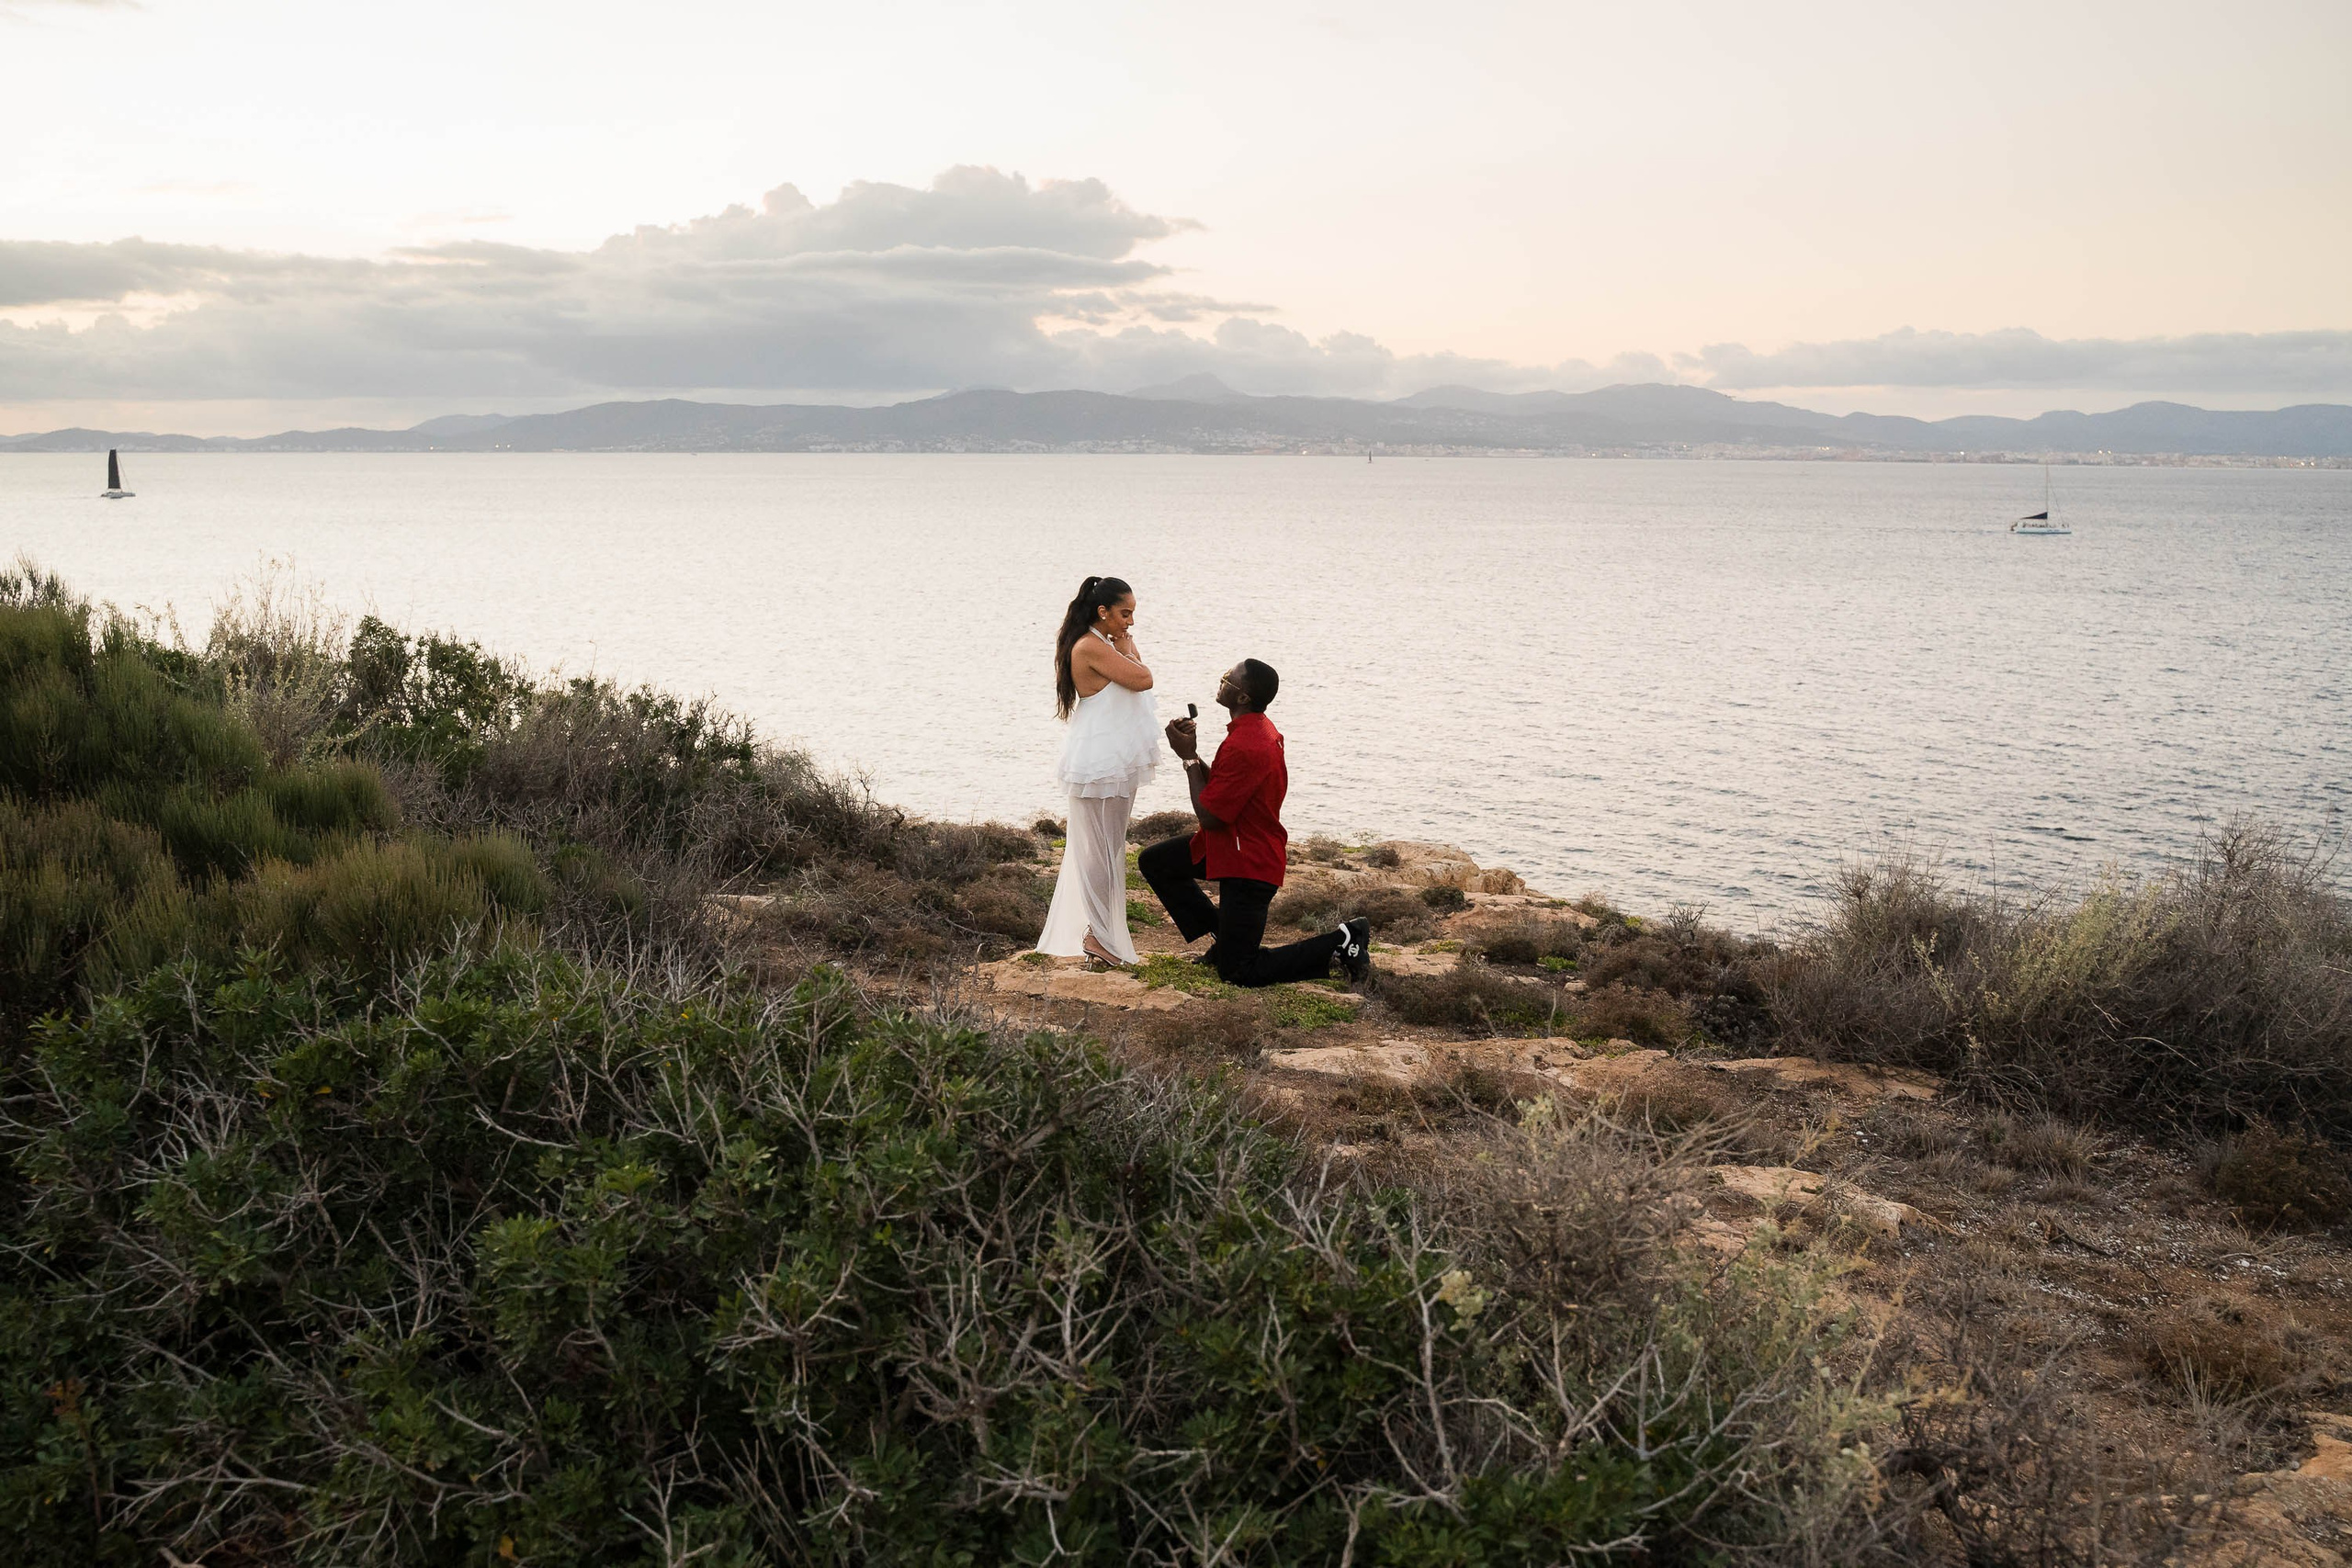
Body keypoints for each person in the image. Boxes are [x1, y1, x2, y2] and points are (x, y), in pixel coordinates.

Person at [1139, 658, 1374, 987]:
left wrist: (1189, 758)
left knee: (1239, 971)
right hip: (1231, 847)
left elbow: (1210, 816)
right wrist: (1192, 756)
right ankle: (1227, 937)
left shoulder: (1246, 745)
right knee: (1157, 862)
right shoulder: (1258, 729)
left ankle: (1342, 941)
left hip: (1249, 864)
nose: (1221, 681)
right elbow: (1226, 785)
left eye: (1227, 680)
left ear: (1243, 698)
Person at [1035, 576, 1159, 966]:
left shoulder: (1103, 643)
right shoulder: (1091, 645)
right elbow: (1143, 678)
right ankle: (1099, 937)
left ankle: (1100, 934)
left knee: (1107, 847)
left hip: (1112, 762)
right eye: (1125, 614)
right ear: (1102, 612)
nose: (1131, 622)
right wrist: (1125, 645)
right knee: (1100, 850)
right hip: (1101, 764)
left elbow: (1136, 673)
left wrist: (1123, 641)